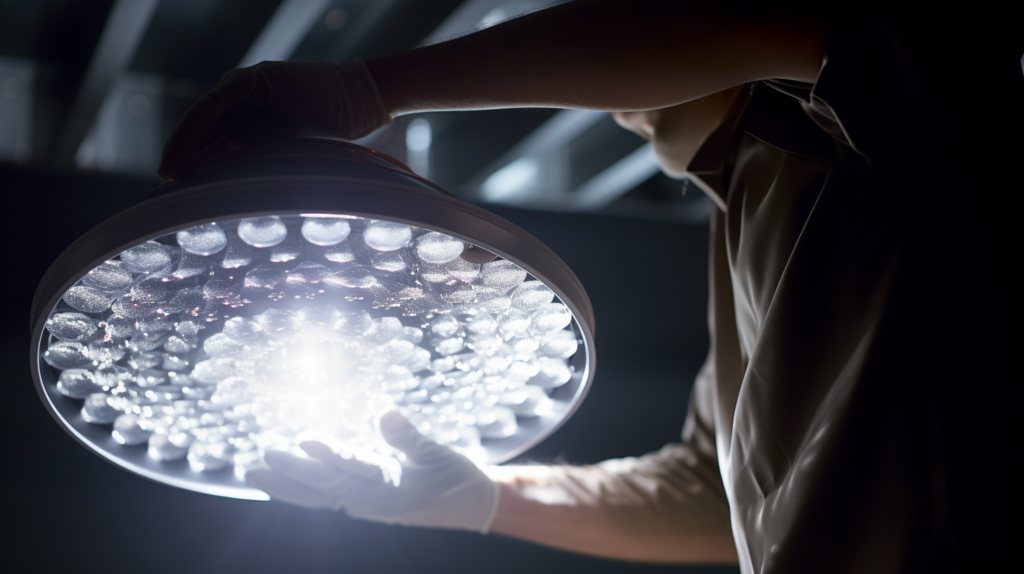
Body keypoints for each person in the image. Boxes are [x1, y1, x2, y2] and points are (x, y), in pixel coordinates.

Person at [159, 1, 959, 571]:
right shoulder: (747, 200)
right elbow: (708, 500)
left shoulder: (888, 104)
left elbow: (772, 26)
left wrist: (375, 86)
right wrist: (481, 499)